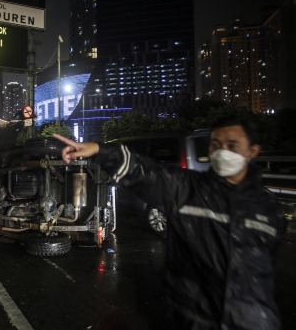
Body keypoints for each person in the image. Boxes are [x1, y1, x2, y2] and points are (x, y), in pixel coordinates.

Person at [54, 117, 285, 330]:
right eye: (215, 144)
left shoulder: (269, 208)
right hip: (193, 318)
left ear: (253, 151)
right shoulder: (187, 189)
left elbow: (267, 266)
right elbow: (145, 172)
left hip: (253, 322)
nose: (222, 151)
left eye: (232, 145)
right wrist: (99, 150)